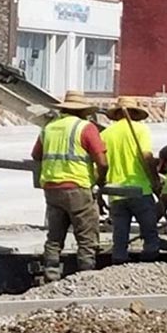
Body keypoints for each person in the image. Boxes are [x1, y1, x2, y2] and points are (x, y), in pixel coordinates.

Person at [31, 91, 108, 282]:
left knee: (55, 235)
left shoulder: (49, 128)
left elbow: (36, 155)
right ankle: (86, 277)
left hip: (52, 188)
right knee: (86, 235)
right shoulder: (86, 128)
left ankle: (51, 274)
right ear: (83, 111)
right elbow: (102, 162)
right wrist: (100, 180)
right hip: (77, 187)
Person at [102, 96, 161, 264]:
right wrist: (155, 180)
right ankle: (150, 262)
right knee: (149, 232)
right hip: (140, 189)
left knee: (120, 233)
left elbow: (101, 163)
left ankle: (119, 260)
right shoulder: (140, 130)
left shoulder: (105, 134)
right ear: (134, 113)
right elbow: (146, 157)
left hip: (116, 191)